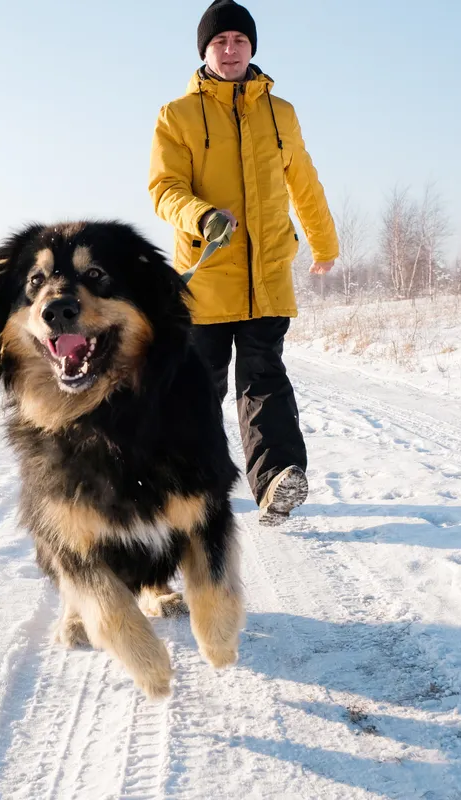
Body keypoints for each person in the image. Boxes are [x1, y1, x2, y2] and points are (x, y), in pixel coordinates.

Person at [148, 0, 338, 523]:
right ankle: (190, 488)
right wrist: (200, 214)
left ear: (252, 47)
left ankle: (277, 480)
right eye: (219, 42)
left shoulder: (281, 113)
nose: (230, 51)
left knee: (264, 380)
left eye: (239, 41)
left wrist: (325, 245)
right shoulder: (178, 115)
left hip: (268, 274)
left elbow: (304, 182)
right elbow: (164, 188)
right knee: (199, 390)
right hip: (206, 278)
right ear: (205, 51)